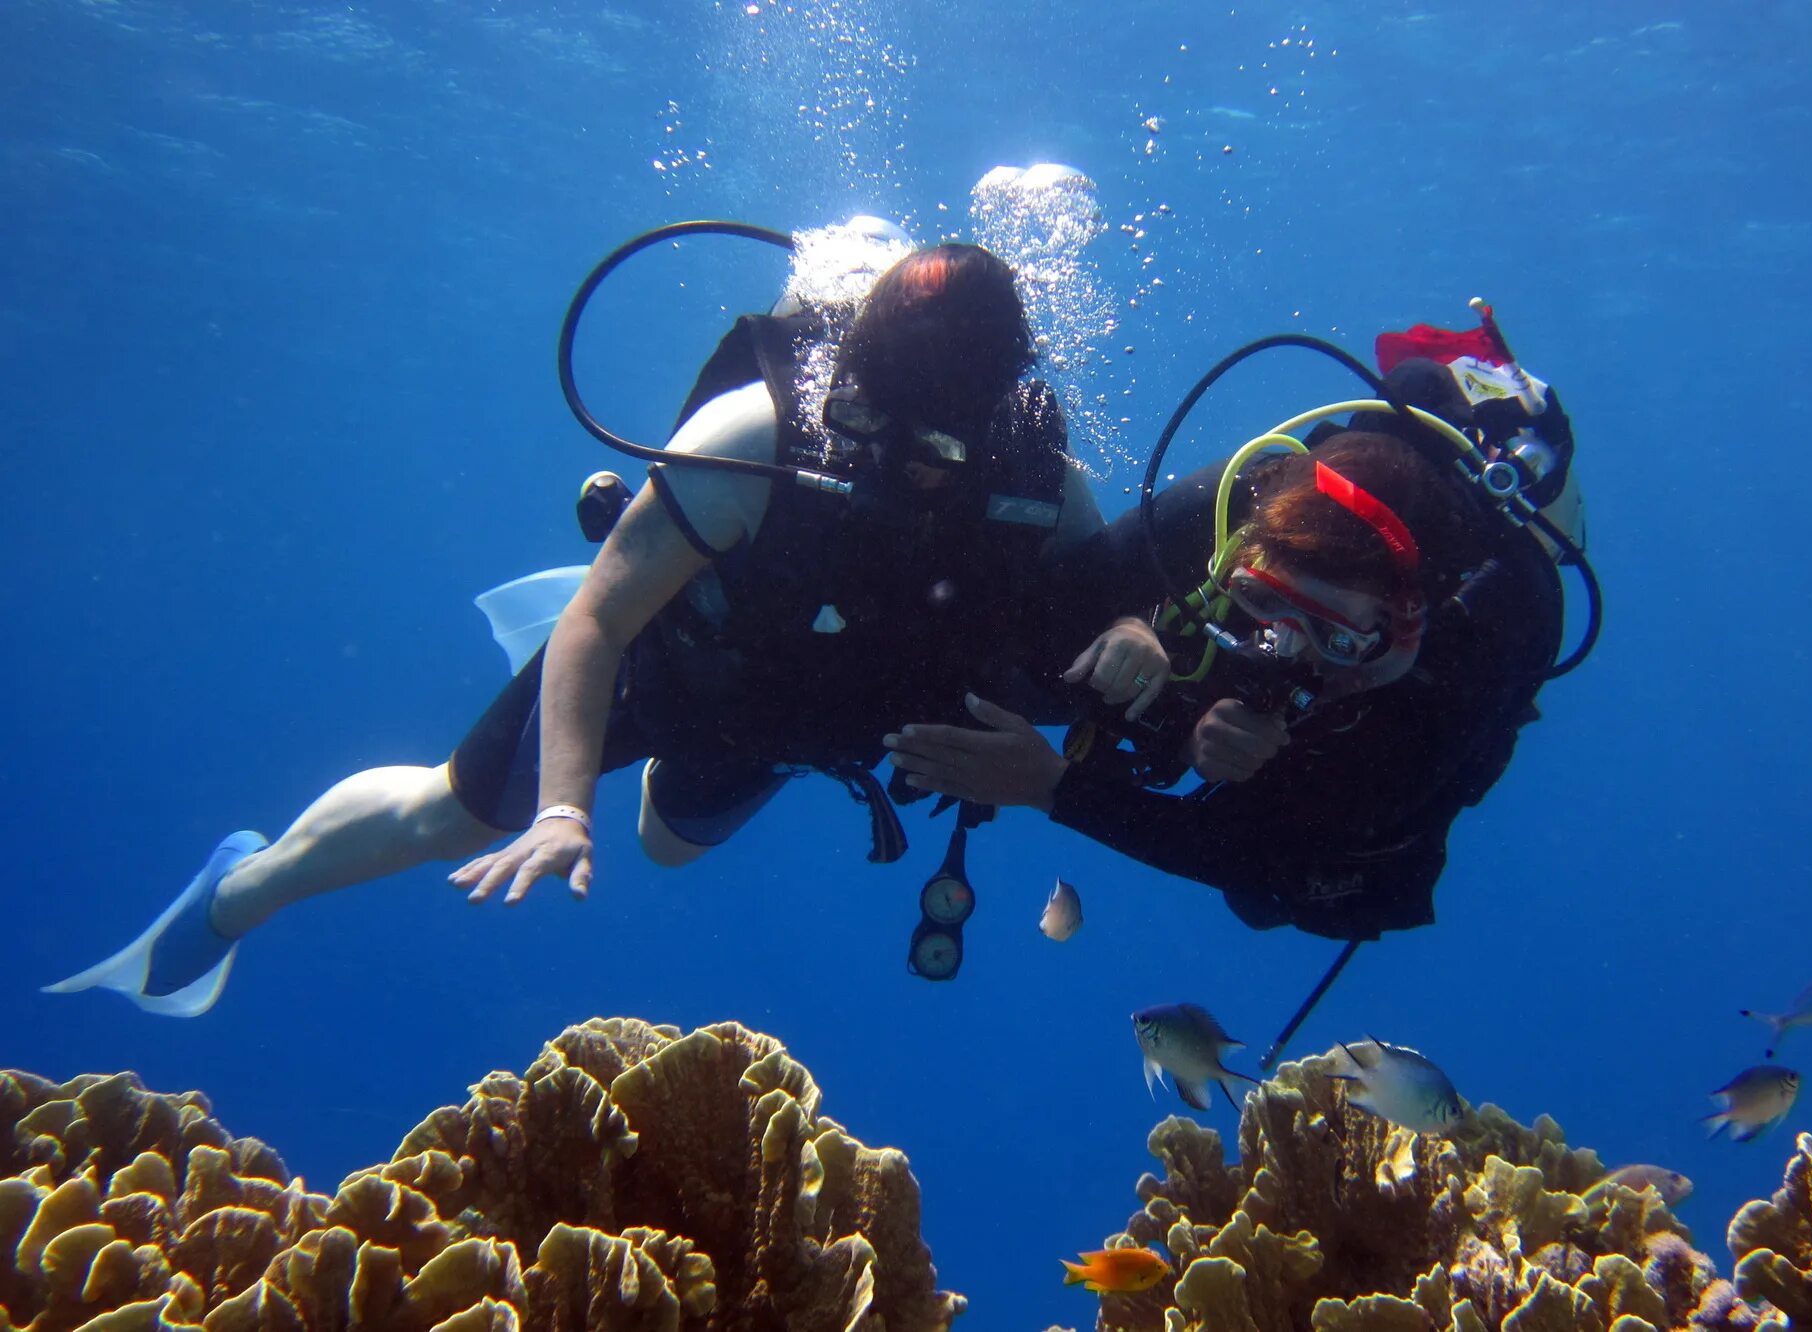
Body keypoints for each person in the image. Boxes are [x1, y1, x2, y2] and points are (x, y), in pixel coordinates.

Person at [47, 238, 1102, 1015]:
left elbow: (1102, 637)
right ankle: (238, 890)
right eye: (878, 427)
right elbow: (597, 624)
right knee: (454, 819)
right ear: (852, 391)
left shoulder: (1044, 488)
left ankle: (721, 665)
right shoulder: (749, 439)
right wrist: (557, 808)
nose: (910, 467)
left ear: (995, 418)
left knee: (670, 848)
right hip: (677, 662)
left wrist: (1129, 649)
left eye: (944, 448)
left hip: (804, 709)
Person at [881, 318, 1585, 945]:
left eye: (1335, 636)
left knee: (1288, 900)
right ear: (1239, 555)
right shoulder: (1242, 497)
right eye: (1259, 601)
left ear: (1404, 629)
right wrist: (1138, 622)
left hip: (1370, 791)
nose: (1286, 649)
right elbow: (1061, 608)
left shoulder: (1476, 650)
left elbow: (1261, 853)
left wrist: (1051, 786)